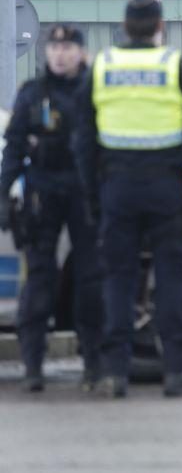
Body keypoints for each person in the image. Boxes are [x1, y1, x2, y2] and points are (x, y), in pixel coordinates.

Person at [75, 0, 182, 398]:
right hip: (165, 187)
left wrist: (92, 193)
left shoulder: (103, 67)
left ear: (124, 24)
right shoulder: (174, 67)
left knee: (119, 278)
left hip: (116, 187)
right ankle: (174, 372)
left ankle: (115, 373)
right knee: (170, 275)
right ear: (159, 26)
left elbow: (84, 140)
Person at [0, 26, 103, 393]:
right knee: (40, 281)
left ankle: (93, 365)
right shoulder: (32, 94)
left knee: (90, 281)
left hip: (84, 194)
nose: (61, 54)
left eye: (68, 47)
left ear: (80, 52)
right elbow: (13, 149)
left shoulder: (95, 92)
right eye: (55, 47)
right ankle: (33, 367)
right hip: (42, 194)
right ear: (47, 53)